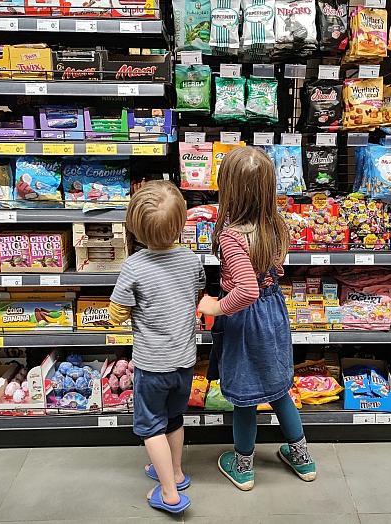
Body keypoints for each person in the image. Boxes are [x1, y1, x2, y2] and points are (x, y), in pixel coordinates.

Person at [198, 146, 316, 491]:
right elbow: (276, 268)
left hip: (246, 322)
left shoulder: (232, 236)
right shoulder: (275, 223)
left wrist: (214, 306)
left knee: (246, 397)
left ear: (229, 188)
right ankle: (302, 458)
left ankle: (244, 466)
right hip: (273, 314)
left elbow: (246, 290)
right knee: (279, 389)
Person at [109, 180, 205, 513]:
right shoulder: (192, 261)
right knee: (175, 418)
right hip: (185, 361)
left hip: (152, 365)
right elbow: (195, 296)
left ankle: (169, 494)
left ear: (134, 228)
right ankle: (176, 473)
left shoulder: (134, 266)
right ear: (181, 224)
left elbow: (117, 313)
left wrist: (123, 312)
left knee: (151, 427)